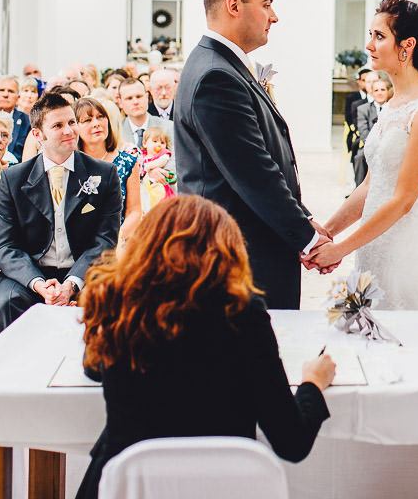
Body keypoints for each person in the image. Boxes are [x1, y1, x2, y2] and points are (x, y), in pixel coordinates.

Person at [75, 196, 334, 498]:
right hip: (220, 488)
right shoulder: (243, 313)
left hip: (129, 487)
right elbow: (291, 442)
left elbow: (93, 370)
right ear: (227, 251)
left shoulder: (120, 303)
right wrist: (312, 383)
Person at [174, 0, 328, 310]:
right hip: (236, 258)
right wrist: (307, 238)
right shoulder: (216, 76)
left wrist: (303, 217)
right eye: (267, 4)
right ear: (234, 5)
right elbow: (254, 172)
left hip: (246, 248)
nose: (274, 16)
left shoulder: (220, 65)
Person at [305, 0, 418, 309]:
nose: (369, 45)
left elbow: (403, 200)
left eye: (379, 36)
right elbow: (371, 185)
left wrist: (340, 249)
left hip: (406, 249)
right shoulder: (393, 104)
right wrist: (326, 234)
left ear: (407, 45)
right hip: (374, 243)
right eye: (371, 35)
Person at [0, 93, 122, 337]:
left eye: (71, 122)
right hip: (30, 273)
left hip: (83, 270)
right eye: (58, 126)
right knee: (6, 303)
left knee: (108, 298)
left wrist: (71, 284)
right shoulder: (13, 178)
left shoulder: (104, 174)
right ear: (38, 134)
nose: (69, 131)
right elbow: (4, 246)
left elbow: (105, 241)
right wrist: (39, 285)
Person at [75, 96, 141, 248]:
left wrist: (116, 236)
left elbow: (134, 211)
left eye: (100, 117)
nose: (96, 124)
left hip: (118, 243)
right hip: (78, 245)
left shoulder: (127, 162)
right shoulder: (71, 164)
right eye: (87, 120)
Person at [118, 77, 174, 154]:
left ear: (147, 97)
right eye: (129, 98)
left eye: (139, 96)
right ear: (120, 102)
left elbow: (175, 159)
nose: (135, 102)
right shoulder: (116, 133)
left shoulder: (169, 128)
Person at [0, 76, 32, 161]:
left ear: (18, 98)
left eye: (11, 91)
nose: (5, 95)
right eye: (1, 90)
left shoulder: (28, 122)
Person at [140, 127, 176, 208]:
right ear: (145, 143)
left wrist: (147, 166)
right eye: (155, 141)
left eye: (162, 143)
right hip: (145, 190)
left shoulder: (163, 154)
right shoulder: (142, 155)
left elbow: (162, 161)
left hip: (160, 190)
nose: (159, 145)